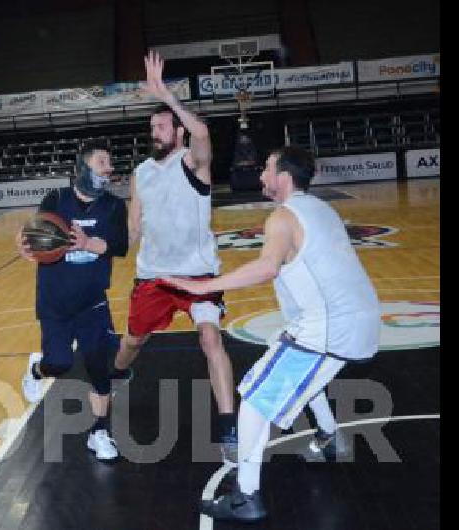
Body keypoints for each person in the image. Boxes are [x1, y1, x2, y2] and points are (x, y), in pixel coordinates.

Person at [162, 146, 381, 522]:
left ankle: (246, 496)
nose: (260, 171)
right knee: (288, 357)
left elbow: (267, 268)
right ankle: (328, 438)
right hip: (360, 320)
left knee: (254, 397)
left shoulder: (283, 217)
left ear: (283, 176)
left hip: (331, 328)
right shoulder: (322, 209)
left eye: (266, 166)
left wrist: (202, 287)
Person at [110, 51, 238, 463]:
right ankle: (114, 376)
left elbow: (203, 136)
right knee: (133, 341)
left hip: (199, 275)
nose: (156, 130)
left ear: (178, 131)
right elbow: (133, 227)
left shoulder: (194, 165)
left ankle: (228, 424)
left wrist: (168, 95)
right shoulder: (142, 173)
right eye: (152, 126)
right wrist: (102, 248)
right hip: (154, 275)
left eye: (162, 125)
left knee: (210, 338)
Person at [17, 139, 128, 462]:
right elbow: (33, 235)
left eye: (109, 163)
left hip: (92, 303)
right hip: (55, 303)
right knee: (61, 363)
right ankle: (38, 370)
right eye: (102, 163)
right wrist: (25, 245)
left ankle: (100, 432)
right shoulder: (55, 199)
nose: (109, 169)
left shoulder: (113, 206)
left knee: (99, 368)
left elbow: (120, 246)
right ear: (83, 168)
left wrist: (90, 243)